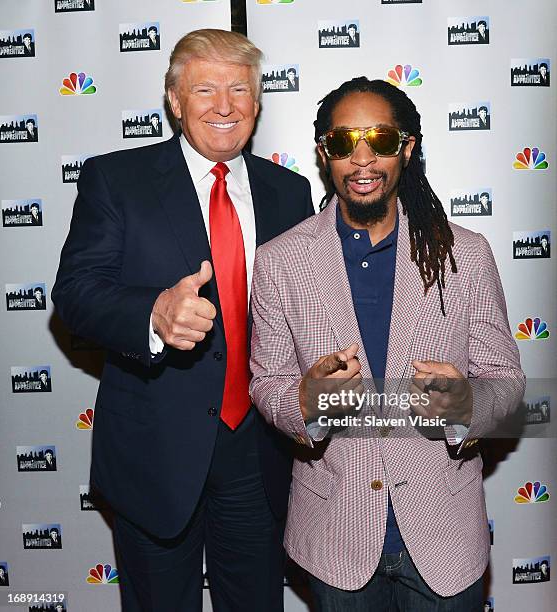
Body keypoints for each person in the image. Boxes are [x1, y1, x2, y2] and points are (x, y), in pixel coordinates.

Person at [52, 28, 313, 612]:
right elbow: (74, 293)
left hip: (259, 453)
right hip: (154, 454)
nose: (224, 105)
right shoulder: (116, 179)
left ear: (257, 102)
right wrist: (151, 312)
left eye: (240, 90)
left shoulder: (289, 192)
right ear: (174, 99)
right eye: (205, 89)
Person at [250, 77, 525, 610]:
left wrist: (469, 403)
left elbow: (507, 382)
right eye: (341, 143)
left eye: (378, 139)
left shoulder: (465, 255)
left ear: (407, 147)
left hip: (444, 535)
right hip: (337, 535)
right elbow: (267, 383)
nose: (361, 160)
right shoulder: (280, 261)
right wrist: (304, 401)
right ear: (322, 153)